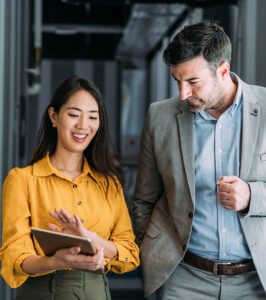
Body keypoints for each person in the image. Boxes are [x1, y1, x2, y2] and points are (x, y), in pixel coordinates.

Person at [133, 21, 266, 299]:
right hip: (183, 278)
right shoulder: (160, 117)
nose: (183, 94)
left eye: (193, 82)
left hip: (256, 280)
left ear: (223, 70)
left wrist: (252, 195)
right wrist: (152, 249)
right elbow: (144, 199)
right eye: (177, 81)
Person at [0, 76, 140, 300]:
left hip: (96, 291)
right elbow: (14, 257)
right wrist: (56, 261)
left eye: (93, 117)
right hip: (42, 291)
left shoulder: (109, 184)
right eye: (73, 115)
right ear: (54, 116)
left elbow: (130, 254)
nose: (83, 126)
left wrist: (93, 240)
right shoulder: (22, 180)